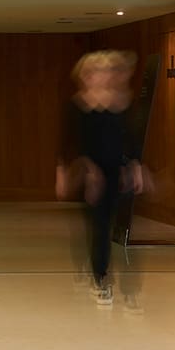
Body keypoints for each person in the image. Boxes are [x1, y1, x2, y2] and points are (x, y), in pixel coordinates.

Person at [56, 50, 148, 307]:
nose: (103, 76)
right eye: (97, 71)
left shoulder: (123, 101)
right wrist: (64, 174)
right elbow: (67, 143)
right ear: (85, 76)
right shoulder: (78, 105)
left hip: (118, 171)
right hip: (90, 173)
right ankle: (100, 278)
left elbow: (131, 139)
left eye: (107, 71)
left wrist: (135, 166)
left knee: (117, 225)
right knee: (99, 225)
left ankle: (127, 288)